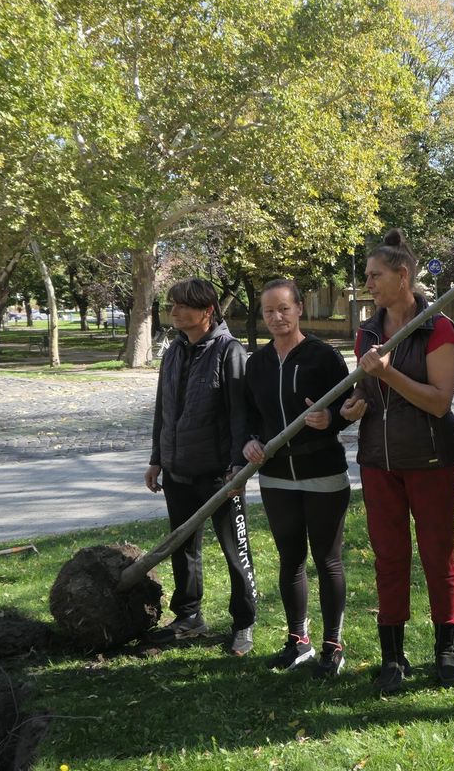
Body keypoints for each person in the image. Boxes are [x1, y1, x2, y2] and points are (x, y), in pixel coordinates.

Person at [339, 228, 454, 693]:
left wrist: (388, 374)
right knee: (389, 559)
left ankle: (445, 650)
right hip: (379, 462)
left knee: (437, 555)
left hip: (431, 460)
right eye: (368, 276)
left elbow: (438, 402)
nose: (368, 284)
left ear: (402, 275)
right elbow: (367, 390)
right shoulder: (368, 332)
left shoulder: (438, 328)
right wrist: (356, 404)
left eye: (375, 275)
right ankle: (393, 656)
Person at [242, 279, 353, 678]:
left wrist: (331, 419)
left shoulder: (323, 357)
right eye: (269, 311)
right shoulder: (256, 363)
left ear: (299, 309)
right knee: (290, 559)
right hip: (275, 478)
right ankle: (298, 641)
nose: (277, 317)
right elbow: (248, 417)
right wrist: (249, 442)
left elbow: (350, 405)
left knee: (327, 560)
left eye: (284, 309)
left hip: (322, 472)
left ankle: (332, 644)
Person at [144, 278, 257, 654]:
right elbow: (164, 409)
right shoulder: (173, 352)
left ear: (207, 311)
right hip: (178, 471)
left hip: (220, 477)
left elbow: (241, 415)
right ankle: (189, 616)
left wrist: (237, 468)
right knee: (183, 548)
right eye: (171, 305)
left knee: (235, 552)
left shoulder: (229, 351)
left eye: (181, 306)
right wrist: (156, 460)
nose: (173, 312)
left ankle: (244, 623)